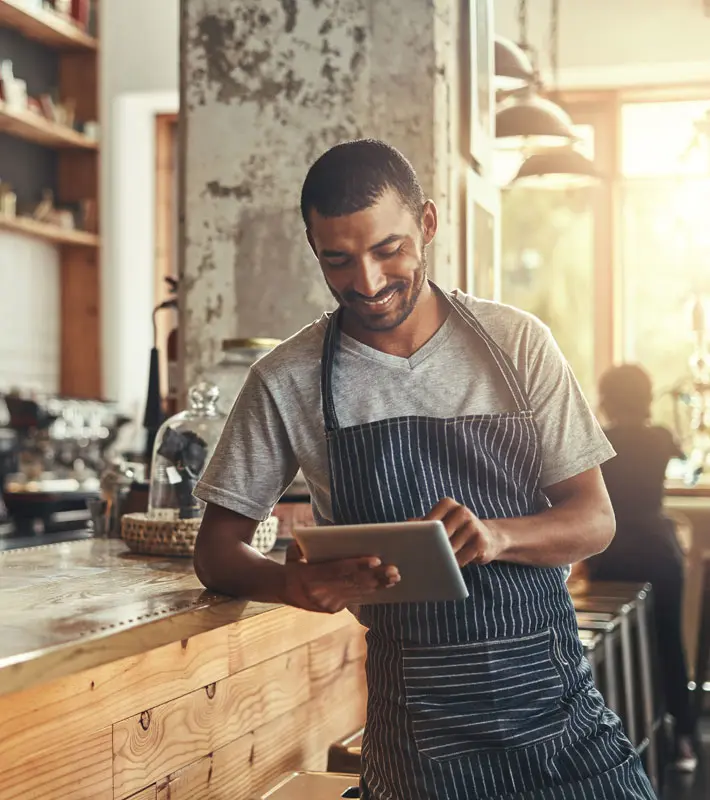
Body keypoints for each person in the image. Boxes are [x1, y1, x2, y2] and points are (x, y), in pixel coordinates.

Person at [193, 139, 656, 799]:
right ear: (313, 247)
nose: (370, 283)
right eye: (339, 260)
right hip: (418, 746)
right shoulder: (288, 380)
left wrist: (498, 536)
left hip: (559, 724)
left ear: (428, 224)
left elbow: (595, 520)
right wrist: (292, 585)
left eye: (390, 250)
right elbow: (216, 552)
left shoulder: (517, 344)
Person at [587, 363, 698, 772]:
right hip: (659, 551)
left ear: (608, 398)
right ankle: (684, 740)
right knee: (670, 643)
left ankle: (614, 739)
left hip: (612, 553)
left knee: (616, 644)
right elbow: (684, 455)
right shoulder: (660, 438)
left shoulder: (600, 440)